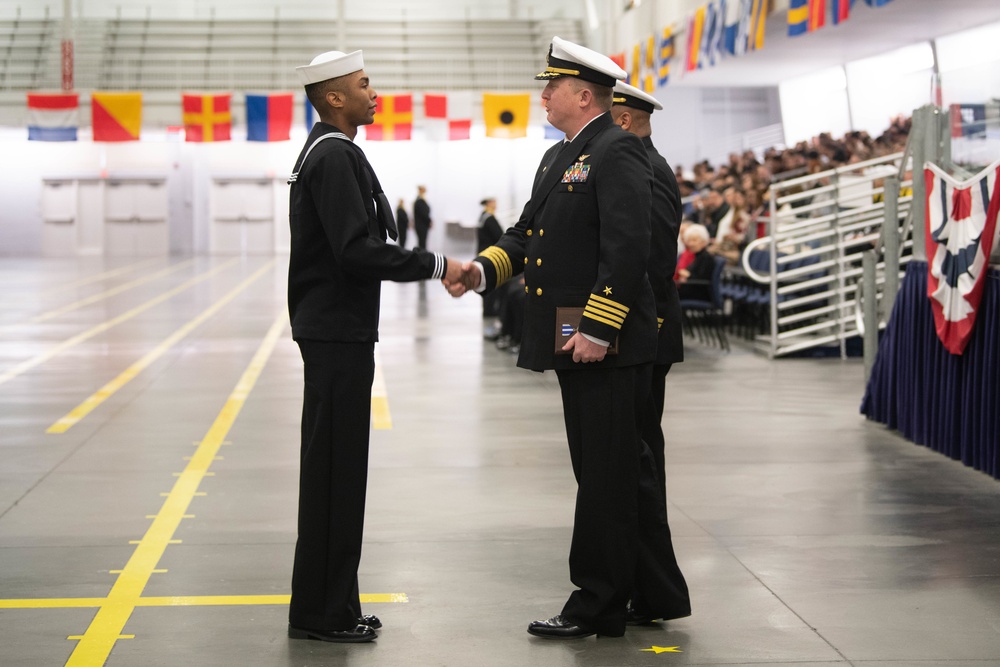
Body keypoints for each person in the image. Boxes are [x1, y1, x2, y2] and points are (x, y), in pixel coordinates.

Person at [449, 36, 689, 639]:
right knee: (610, 471)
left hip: (602, 347)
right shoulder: (560, 158)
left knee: (606, 477)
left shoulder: (617, 150)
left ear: (585, 95)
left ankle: (598, 603)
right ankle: (645, 590)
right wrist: (482, 270)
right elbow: (527, 234)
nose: (543, 94)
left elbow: (629, 248)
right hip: (575, 344)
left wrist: (599, 327)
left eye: (551, 86)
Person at [286, 48, 461, 644]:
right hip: (336, 330)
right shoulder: (334, 157)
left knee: (335, 470)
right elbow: (356, 250)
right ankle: (324, 613)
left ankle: (329, 603)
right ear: (334, 97)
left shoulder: (332, 151)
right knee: (336, 472)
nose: (373, 92)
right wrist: (438, 265)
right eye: (363, 84)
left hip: (337, 328)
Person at [610, 80, 690, 624]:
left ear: (620, 120)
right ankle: (640, 583)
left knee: (639, 462)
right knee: (629, 461)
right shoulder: (630, 162)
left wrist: (627, 329)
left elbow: (656, 262)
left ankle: (654, 590)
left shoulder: (648, 169)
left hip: (644, 334)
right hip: (633, 331)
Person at [477, 197, 505, 335]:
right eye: (494, 201)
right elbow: (499, 235)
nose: (496, 203)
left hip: (484, 253)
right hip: (491, 254)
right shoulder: (489, 218)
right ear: (489, 203)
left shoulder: (483, 216)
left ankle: (488, 309)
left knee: (486, 281)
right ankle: (490, 309)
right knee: (492, 282)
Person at [676, 223, 715, 302]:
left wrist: (687, 275)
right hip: (690, 288)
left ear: (704, 242)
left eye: (694, 240)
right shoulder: (697, 256)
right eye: (689, 240)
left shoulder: (707, 258)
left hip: (699, 293)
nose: (690, 243)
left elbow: (702, 278)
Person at [413, 185, 431, 250]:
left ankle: (422, 256)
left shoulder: (419, 200)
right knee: (422, 243)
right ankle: (423, 258)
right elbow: (424, 213)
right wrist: (429, 221)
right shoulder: (420, 201)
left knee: (422, 242)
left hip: (421, 225)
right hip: (421, 225)